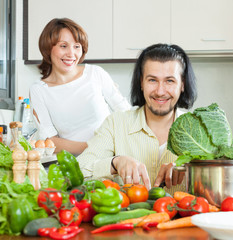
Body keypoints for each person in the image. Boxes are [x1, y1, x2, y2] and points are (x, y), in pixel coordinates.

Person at [77, 43, 197, 193]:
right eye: (152, 80)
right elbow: (78, 172)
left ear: (182, 84)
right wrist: (115, 163)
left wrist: (190, 170)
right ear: (141, 82)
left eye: (170, 81)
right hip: (126, 216)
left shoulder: (199, 129)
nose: (160, 91)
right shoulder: (115, 123)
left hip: (187, 216)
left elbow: (219, 178)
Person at [29, 18, 131, 156]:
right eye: (63, 46)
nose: (71, 54)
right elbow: (50, 141)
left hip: (112, 160)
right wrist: (97, 147)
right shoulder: (39, 90)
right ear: (48, 48)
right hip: (73, 165)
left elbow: (127, 114)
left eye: (77, 46)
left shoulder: (95, 74)